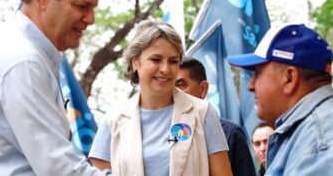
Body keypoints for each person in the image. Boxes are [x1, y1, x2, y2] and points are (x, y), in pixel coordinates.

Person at [0, 0, 110, 175]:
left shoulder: (20, 52)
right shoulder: (23, 62)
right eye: (82, 6)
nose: (90, 19)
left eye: (93, 9)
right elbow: (61, 170)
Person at [89, 20, 232, 176]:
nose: (165, 69)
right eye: (156, 60)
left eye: (173, 61)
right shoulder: (113, 119)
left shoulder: (203, 113)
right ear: (135, 62)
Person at [227, 23, 333, 175]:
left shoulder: (319, 143)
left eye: (257, 74)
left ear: (289, 78)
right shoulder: (310, 133)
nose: (250, 86)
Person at [176, 57, 256, 176]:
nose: (174, 93)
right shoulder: (163, 132)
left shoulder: (230, 133)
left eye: (180, 86)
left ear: (203, 89)